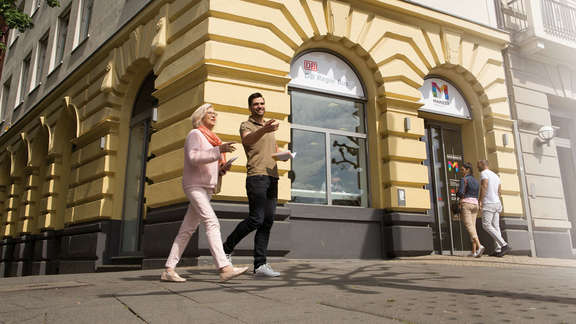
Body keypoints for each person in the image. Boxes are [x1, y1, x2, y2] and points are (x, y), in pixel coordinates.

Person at [162, 103, 249, 282]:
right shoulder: (195, 134)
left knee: (187, 230)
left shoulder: (212, 139)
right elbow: (194, 158)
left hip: (206, 187)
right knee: (212, 222)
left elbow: (208, 163)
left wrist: (222, 169)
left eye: (215, 113)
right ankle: (224, 267)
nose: (214, 116)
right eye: (209, 113)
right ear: (200, 117)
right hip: (194, 186)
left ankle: (169, 270)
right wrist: (219, 151)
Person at [223, 92, 281, 277]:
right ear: (250, 107)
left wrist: (285, 155)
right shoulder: (246, 125)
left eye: (262, 103)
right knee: (256, 218)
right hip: (256, 176)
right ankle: (226, 248)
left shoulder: (268, 128)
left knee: (267, 221)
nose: (260, 106)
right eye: (256, 104)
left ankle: (260, 265)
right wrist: (265, 130)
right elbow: (247, 140)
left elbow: (274, 151)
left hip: (273, 176)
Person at [477, 159, 511, 257]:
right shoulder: (495, 175)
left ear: (483, 165)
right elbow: (499, 190)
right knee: (496, 226)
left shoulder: (484, 173)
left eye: (478, 165)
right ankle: (498, 249)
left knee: (486, 225)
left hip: (489, 203)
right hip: (497, 203)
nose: (477, 167)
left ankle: (504, 245)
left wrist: (480, 200)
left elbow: (484, 186)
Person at [457, 162, 485, 258]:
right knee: (473, 227)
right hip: (475, 204)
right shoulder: (476, 181)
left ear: (467, 170)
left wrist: (458, 194)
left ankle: (479, 246)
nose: (461, 171)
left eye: (462, 169)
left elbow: (460, 193)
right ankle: (474, 252)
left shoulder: (464, 179)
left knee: (469, 226)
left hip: (467, 204)